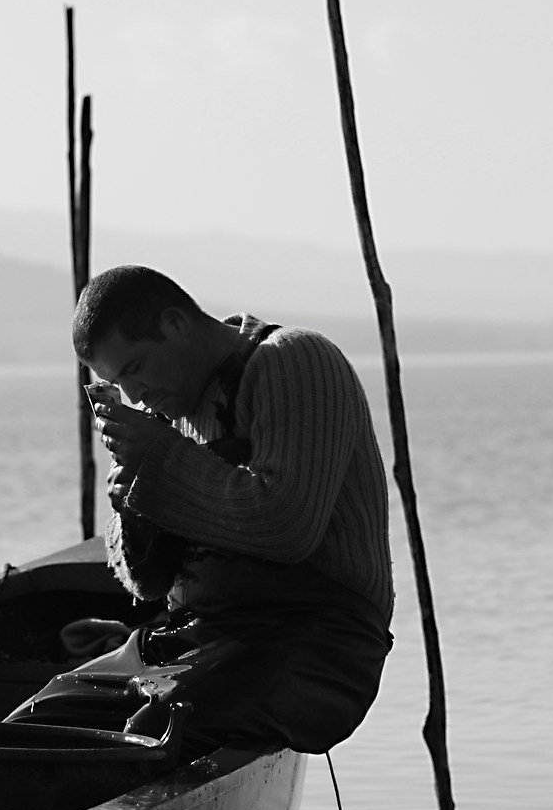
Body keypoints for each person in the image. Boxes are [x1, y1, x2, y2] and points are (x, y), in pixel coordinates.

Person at [69, 264, 392, 759]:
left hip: (317, 645)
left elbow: (287, 528)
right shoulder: (165, 414)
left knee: (151, 733)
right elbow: (150, 584)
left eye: (135, 368)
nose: (134, 395)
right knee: (42, 719)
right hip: (199, 641)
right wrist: (133, 504)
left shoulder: (295, 359)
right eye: (117, 382)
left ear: (175, 324)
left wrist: (159, 461)